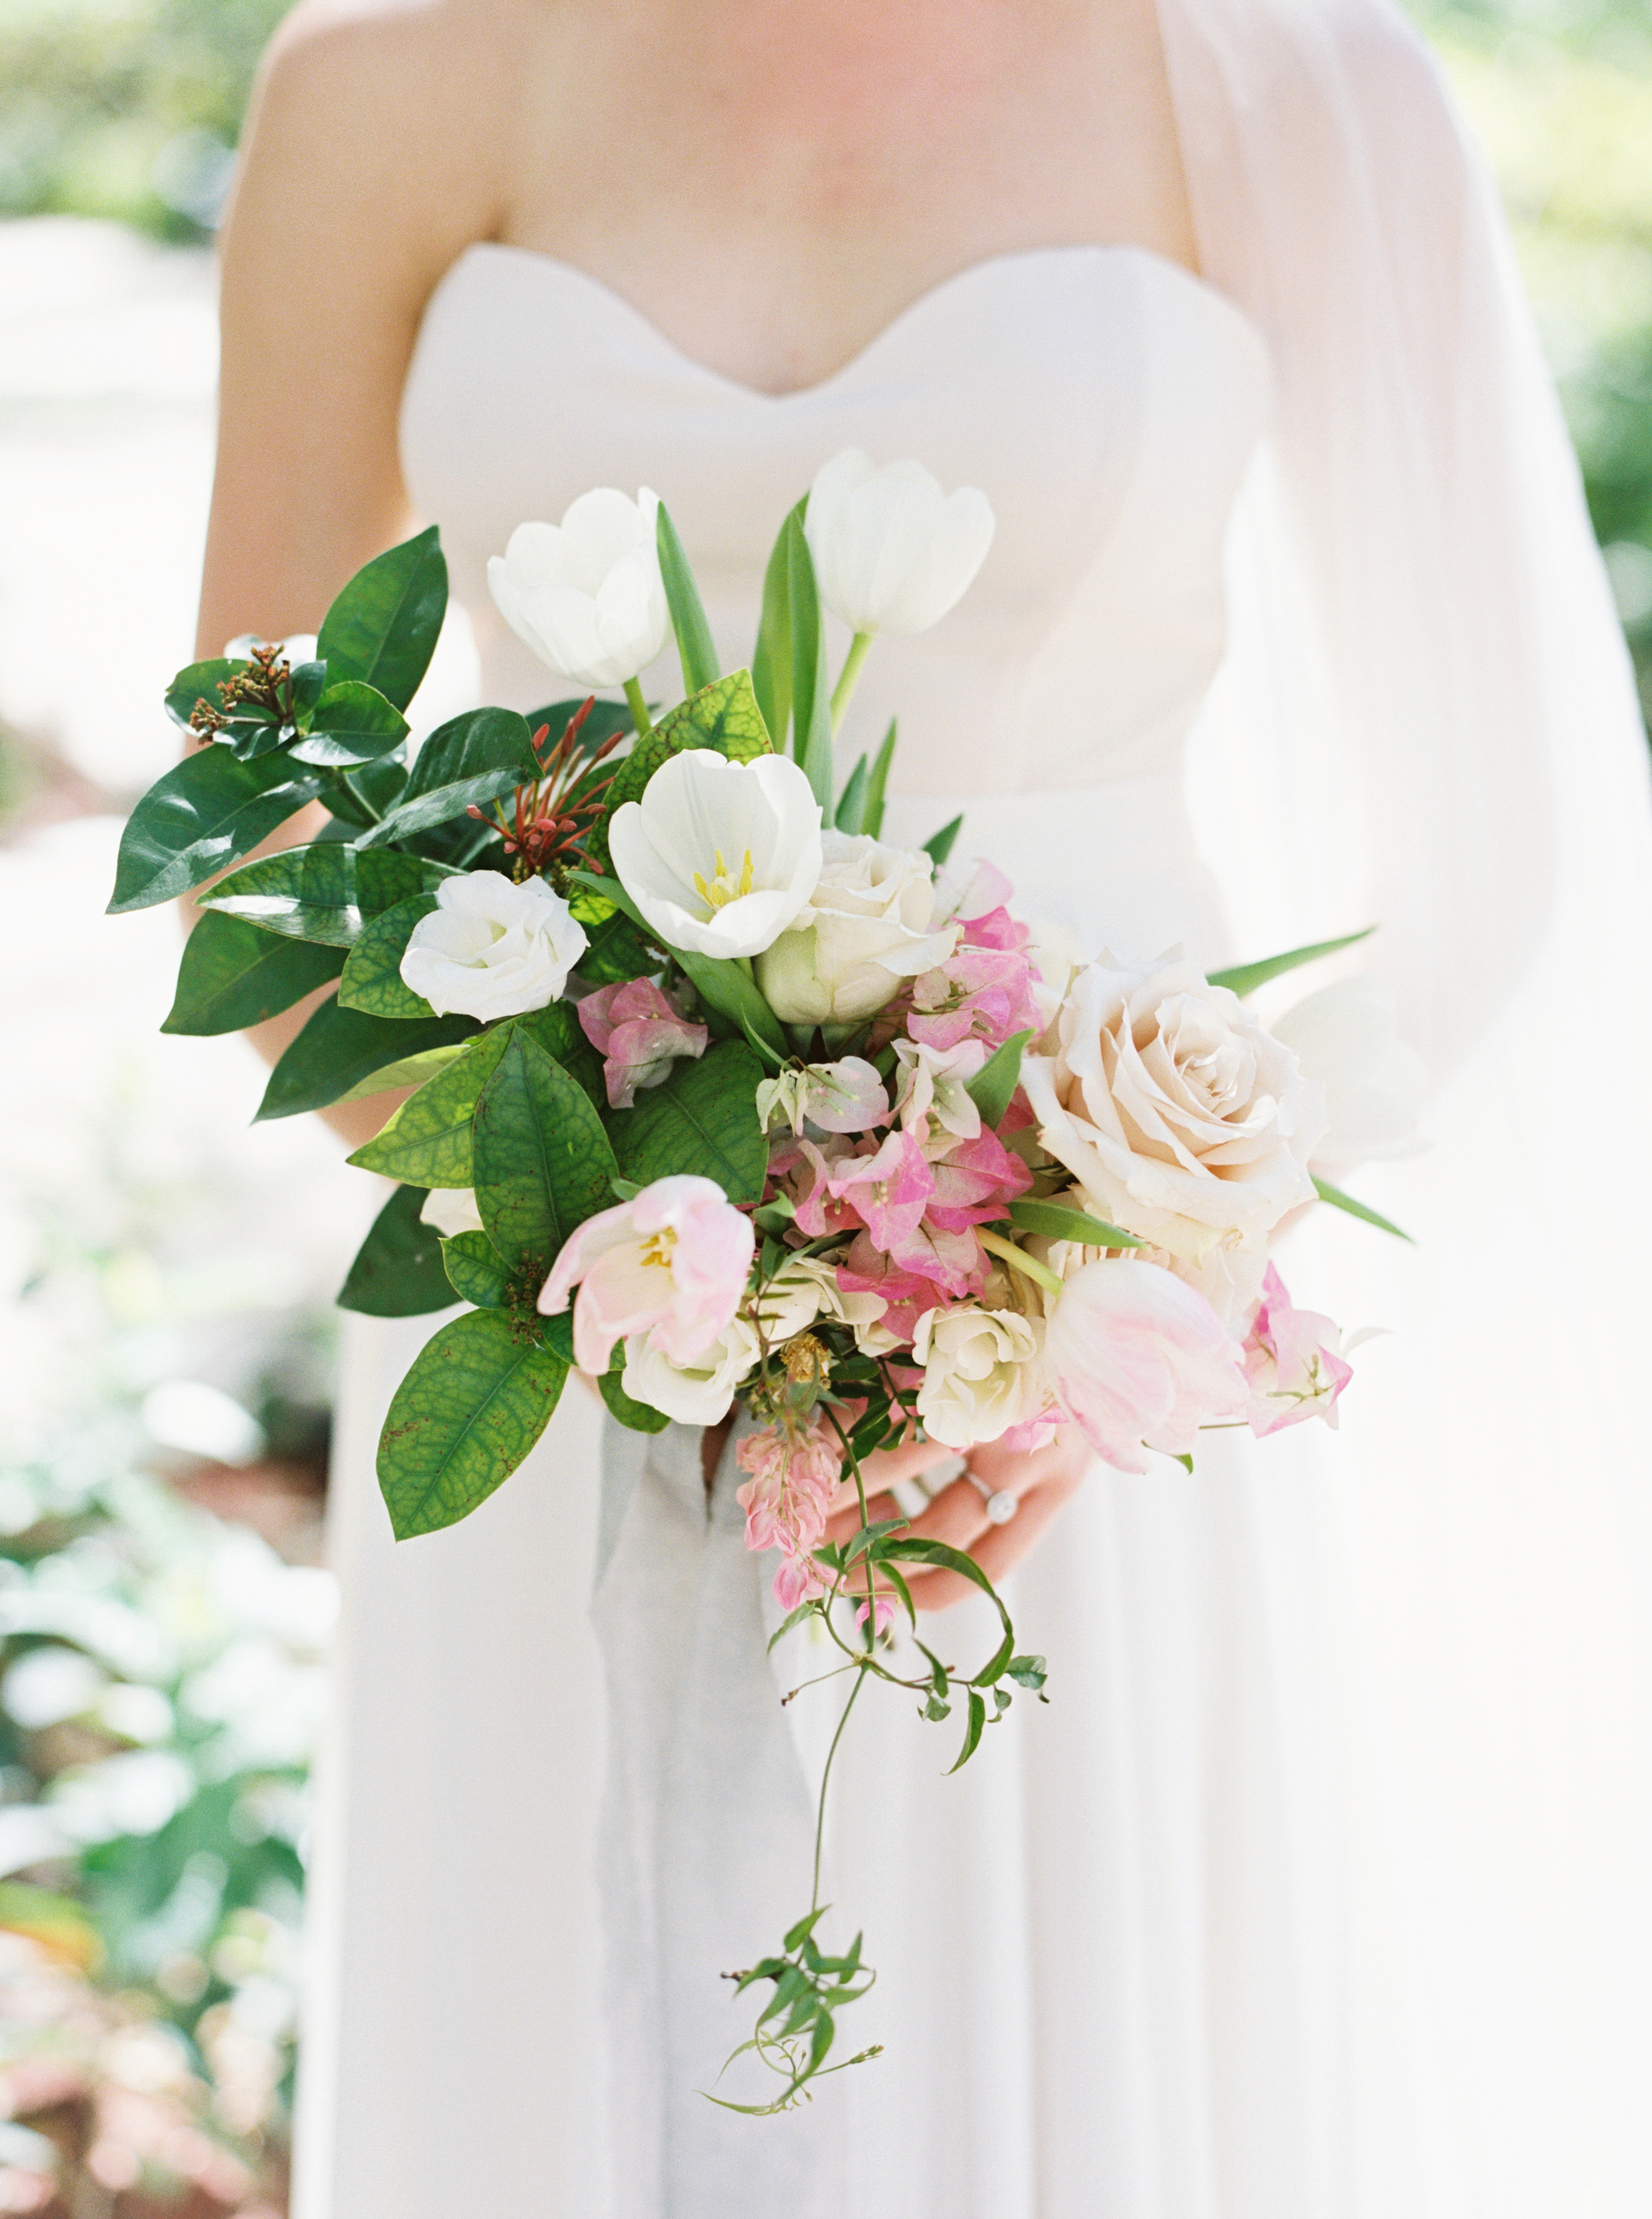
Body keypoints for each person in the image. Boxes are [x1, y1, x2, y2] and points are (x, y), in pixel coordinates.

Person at [196, 0, 1652, 2213]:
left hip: (1066, 1384)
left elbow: (1488, 849)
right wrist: (608, 1248)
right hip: (547, 1316)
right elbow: (251, 791)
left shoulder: (1292, 87)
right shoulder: (388, 74)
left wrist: (1101, 1295)